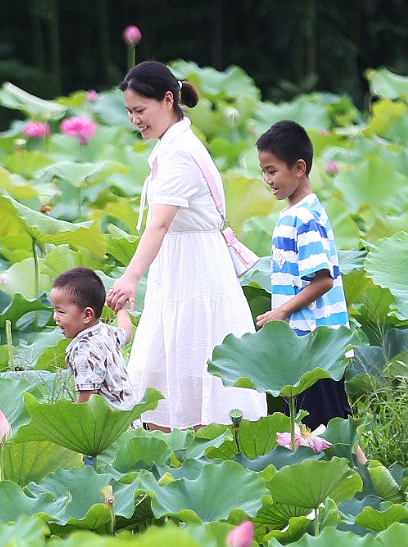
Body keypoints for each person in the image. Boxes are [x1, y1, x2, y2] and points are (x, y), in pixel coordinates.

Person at [106, 60, 267, 431]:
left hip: (194, 272)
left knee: (192, 361)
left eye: (140, 110)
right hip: (184, 267)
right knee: (173, 364)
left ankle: (198, 462)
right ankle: (172, 463)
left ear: (167, 100)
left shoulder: (178, 153)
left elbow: (159, 224)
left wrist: (130, 277)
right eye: (130, 112)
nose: (135, 120)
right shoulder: (176, 143)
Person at [255, 119, 352, 429]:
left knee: (325, 427)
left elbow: (323, 280)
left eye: (272, 171)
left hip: (315, 343)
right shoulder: (295, 213)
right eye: (264, 172)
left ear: (299, 168)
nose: (267, 179)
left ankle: (365, 476)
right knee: (319, 425)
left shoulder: (304, 218)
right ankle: (363, 475)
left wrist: (281, 311)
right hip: (305, 344)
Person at [50, 267, 136, 410]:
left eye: (61, 311)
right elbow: (126, 333)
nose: (55, 317)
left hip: (109, 423)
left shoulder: (85, 349)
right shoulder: (105, 331)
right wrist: (121, 308)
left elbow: (88, 395)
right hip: (129, 416)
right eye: (54, 310)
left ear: (87, 315)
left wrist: (74, 421)